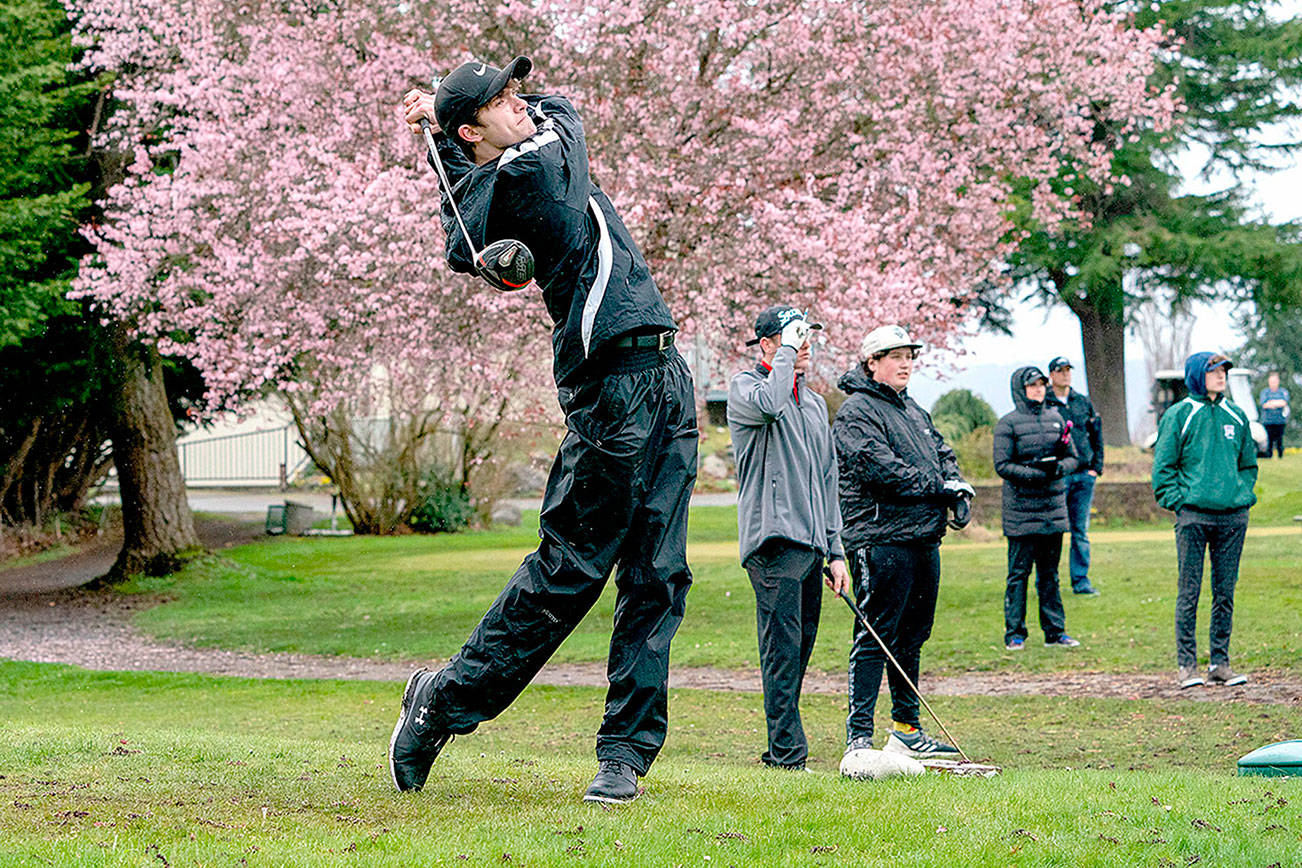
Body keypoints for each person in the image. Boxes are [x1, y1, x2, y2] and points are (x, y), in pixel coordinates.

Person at [391, 57, 698, 804]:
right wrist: (457, 172)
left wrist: (439, 132)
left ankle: (625, 753)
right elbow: (463, 241)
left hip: (669, 375)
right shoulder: (533, 166)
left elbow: (482, 192)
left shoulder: (518, 153)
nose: (521, 104)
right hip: (609, 390)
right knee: (570, 573)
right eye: (498, 102)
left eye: (513, 90)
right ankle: (442, 701)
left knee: (658, 576)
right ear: (472, 130)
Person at [832, 325, 974, 767]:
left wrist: (958, 490)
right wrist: (939, 486)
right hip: (878, 538)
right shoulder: (856, 411)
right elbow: (879, 468)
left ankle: (907, 730)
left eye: (910, 356)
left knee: (913, 635)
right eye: (895, 356)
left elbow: (942, 452)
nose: (906, 363)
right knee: (876, 635)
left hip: (921, 536)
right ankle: (858, 736)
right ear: (872, 362)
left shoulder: (912, 409)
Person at [727, 305, 851, 771]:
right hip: (771, 543)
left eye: (807, 338)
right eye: (795, 338)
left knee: (799, 650)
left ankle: (780, 744)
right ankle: (787, 755)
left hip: (812, 545)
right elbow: (770, 405)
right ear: (768, 345)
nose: (805, 346)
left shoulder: (816, 404)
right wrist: (786, 356)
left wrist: (836, 550)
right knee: (781, 650)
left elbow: (827, 479)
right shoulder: (747, 388)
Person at [1152, 352, 1257, 689]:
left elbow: (1248, 465)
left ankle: (1220, 663)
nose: (1221, 375)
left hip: (1232, 518)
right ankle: (1187, 666)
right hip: (1193, 517)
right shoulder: (1179, 415)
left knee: (1224, 592)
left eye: (1224, 370)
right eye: (1214, 370)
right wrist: (1179, 502)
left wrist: (1240, 495)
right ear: (1198, 375)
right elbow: (1163, 468)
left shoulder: (1236, 415)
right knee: (1190, 592)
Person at [993, 366, 1082, 652]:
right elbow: (1002, 465)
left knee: (1050, 574)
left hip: (1052, 510)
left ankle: (1055, 632)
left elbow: (1073, 458)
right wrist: (1033, 473)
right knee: (1018, 574)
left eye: (1042, 384)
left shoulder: (1057, 419)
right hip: (1021, 512)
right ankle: (1015, 633)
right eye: (1032, 385)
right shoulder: (1008, 424)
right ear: (1022, 389)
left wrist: (1058, 468)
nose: (1039, 389)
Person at [1044, 356, 1105, 595]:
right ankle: (1049, 581)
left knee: (1080, 530)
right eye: (1061, 371)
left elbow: (1096, 435)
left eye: (1068, 370)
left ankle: (1081, 581)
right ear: (1051, 375)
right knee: (1054, 530)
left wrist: (1095, 468)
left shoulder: (1082, 402)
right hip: (1059, 476)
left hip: (1083, 475)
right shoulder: (1045, 403)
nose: (1066, 374)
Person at [1258, 371, 1289, 459]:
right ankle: (1269, 455)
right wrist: (1276, 403)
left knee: (1279, 439)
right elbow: (1264, 404)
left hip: (1280, 420)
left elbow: (1284, 402)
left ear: (1278, 382)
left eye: (1275, 381)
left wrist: (1271, 403)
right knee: (1269, 440)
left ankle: (1280, 455)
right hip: (1268, 421)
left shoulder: (1283, 391)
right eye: (1271, 382)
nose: (1273, 384)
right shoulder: (1265, 392)